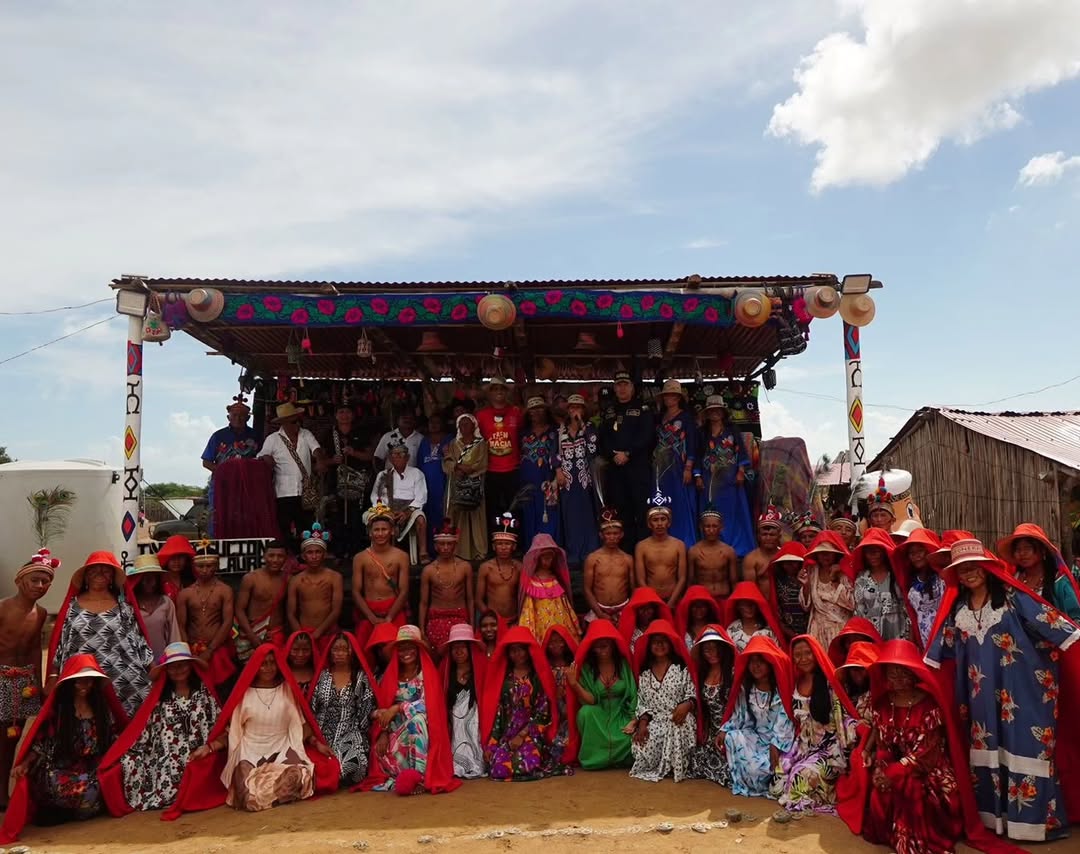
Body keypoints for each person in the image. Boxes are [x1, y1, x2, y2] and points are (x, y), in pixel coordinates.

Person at [925, 538, 1080, 842]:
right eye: (962, 569)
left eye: (974, 567)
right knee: (988, 748)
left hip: (1022, 690)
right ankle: (999, 822)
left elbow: (1057, 627)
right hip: (979, 695)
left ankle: (1035, 826)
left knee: (1025, 745)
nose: (969, 573)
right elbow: (939, 652)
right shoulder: (958, 608)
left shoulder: (1013, 598)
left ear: (986, 567)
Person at [856, 640, 1010, 854]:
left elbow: (928, 751)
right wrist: (883, 767)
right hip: (895, 767)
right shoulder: (882, 705)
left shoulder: (929, 705)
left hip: (929, 770)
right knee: (881, 790)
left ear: (914, 674)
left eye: (904, 673)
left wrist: (896, 771)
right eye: (893, 674)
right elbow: (884, 744)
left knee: (918, 795)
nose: (899, 679)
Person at [163, 644, 337, 818]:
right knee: (247, 796)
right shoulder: (243, 694)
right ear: (254, 666)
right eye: (263, 663)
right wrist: (209, 748)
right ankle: (273, 797)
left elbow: (301, 725)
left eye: (272, 663)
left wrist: (316, 743)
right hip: (250, 753)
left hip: (283, 751)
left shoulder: (287, 690)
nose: (268, 668)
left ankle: (270, 796)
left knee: (298, 776)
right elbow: (231, 732)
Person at [1, 655, 125, 841]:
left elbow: (112, 740)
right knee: (56, 783)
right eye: (79, 681)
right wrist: (24, 763)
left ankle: (69, 811)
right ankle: (70, 809)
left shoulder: (101, 710)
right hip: (61, 767)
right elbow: (41, 744)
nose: (84, 686)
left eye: (88, 681)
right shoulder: (59, 712)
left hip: (91, 767)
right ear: (71, 683)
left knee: (97, 786)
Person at [98, 642, 221, 814]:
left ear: (190, 666)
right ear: (167, 671)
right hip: (168, 758)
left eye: (182, 665)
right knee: (130, 763)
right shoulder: (161, 699)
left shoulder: (204, 694)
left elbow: (219, 725)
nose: (178, 670)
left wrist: (208, 748)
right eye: (172, 667)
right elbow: (147, 731)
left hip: (199, 753)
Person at [45, 551, 153, 716]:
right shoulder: (72, 608)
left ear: (111, 578)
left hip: (123, 679)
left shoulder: (124, 608)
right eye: (94, 569)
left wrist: (154, 671)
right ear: (86, 577)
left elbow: (139, 642)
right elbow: (61, 643)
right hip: (82, 680)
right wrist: (53, 675)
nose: (100, 573)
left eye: (106, 570)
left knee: (125, 729)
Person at [357, 625, 459, 795]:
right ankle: (404, 775)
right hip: (395, 732)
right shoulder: (390, 676)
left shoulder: (427, 675)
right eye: (401, 648)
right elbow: (381, 710)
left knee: (417, 720)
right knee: (379, 751)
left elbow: (429, 707)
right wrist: (383, 732)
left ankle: (419, 776)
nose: (405, 652)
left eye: (410, 647)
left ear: (418, 649)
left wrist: (398, 707)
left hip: (422, 733)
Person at [769, 635, 858, 813]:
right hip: (803, 746)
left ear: (816, 653)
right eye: (798, 655)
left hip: (829, 749)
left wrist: (846, 752)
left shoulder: (829, 682)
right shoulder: (796, 682)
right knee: (776, 782)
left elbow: (842, 717)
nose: (803, 659)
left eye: (807, 653)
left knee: (800, 778)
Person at [0, 549, 56, 810]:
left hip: (23, 685)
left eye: (46, 581)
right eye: (35, 580)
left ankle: (2, 794)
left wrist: (38, 683)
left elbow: (35, 648)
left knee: (11, 740)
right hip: (1, 678)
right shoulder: (2, 608)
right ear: (19, 581)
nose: (41, 586)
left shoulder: (41, 613)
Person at [480, 626, 563, 781]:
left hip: (531, 733)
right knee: (498, 768)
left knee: (528, 764)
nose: (517, 654)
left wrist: (523, 735)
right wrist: (492, 744)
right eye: (513, 650)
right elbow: (498, 714)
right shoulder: (505, 680)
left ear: (528, 651)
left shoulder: (537, 678)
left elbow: (543, 713)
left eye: (520, 649)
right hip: (508, 735)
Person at [720, 636, 796, 798]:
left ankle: (767, 779)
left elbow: (786, 720)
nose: (756, 666)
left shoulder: (781, 689)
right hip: (756, 739)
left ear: (769, 662)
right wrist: (725, 729)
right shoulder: (746, 688)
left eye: (760, 661)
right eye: (752, 661)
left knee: (783, 765)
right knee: (732, 737)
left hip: (780, 742)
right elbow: (740, 716)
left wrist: (776, 744)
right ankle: (757, 780)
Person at [626, 619, 697, 783]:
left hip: (679, 718)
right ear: (650, 646)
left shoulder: (681, 668)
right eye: (655, 642)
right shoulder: (645, 673)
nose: (660, 645)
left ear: (671, 644)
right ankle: (666, 764)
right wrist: (643, 723)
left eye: (664, 641)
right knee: (640, 747)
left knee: (676, 725)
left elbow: (692, 693)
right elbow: (642, 702)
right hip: (657, 720)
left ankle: (677, 767)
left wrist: (687, 705)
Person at [309, 632, 376, 787]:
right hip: (321, 736)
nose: (339, 654)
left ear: (351, 652)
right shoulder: (321, 677)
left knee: (355, 762)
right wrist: (314, 740)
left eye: (343, 649)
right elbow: (311, 710)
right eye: (335, 650)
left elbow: (365, 713)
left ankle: (332, 776)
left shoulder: (360, 678)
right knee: (313, 763)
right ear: (330, 653)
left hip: (349, 734)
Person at [568, 619, 637, 770]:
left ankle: (619, 759)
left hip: (621, 714)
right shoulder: (587, 668)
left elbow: (632, 693)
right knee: (585, 713)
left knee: (633, 738)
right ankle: (595, 760)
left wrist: (633, 719)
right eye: (597, 647)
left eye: (605, 645)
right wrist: (574, 685)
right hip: (599, 714)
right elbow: (591, 701)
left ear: (613, 645)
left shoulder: (623, 664)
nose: (601, 650)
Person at [599, 369, 655, 549]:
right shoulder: (608, 411)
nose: (622, 389)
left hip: (637, 468)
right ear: (614, 388)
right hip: (616, 470)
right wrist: (612, 455)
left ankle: (645, 550)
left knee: (642, 510)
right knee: (621, 511)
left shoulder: (643, 408)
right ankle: (626, 552)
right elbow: (602, 439)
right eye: (618, 385)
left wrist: (628, 453)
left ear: (632, 387)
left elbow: (648, 436)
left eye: (626, 385)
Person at [258, 401, 325, 551]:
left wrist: (319, 460)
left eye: (298, 421)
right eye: (293, 422)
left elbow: (316, 449)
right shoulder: (273, 439)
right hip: (283, 492)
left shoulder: (306, 434)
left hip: (305, 492)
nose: (297, 424)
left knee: (306, 528)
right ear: (284, 423)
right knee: (284, 528)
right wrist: (267, 459)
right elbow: (261, 456)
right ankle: (288, 558)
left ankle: (305, 557)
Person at [695, 395, 754, 557]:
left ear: (723, 412)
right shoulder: (701, 433)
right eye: (711, 410)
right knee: (710, 510)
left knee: (732, 512)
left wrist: (741, 472)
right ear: (707, 414)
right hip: (708, 480)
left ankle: (733, 546)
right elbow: (697, 455)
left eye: (717, 410)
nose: (715, 413)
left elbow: (741, 451)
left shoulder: (732, 430)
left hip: (730, 480)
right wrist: (697, 475)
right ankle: (711, 544)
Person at [202, 397, 268, 538]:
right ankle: (218, 547)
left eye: (242, 416)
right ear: (228, 417)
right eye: (234, 415)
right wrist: (224, 472)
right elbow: (206, 461)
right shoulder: (218, 436)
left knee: (248, 516)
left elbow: (263, 458)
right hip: (223, 485)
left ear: (248, 418)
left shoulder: (256, 436)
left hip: (248, 485)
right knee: (219, 515)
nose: (238, 419)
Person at [177, 542, 236, 693]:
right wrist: (187, 650)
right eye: (200, 566)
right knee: (197, 690)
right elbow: (181, 625)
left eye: (210, 566)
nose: (205, 570)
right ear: (193, 567)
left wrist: (210, 650)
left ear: (216, 566)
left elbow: (227, 622)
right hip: (193, 651)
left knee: (221, 691)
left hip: (217, 649)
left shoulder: (225, 590)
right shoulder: (185, 594)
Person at [321, 402, 375, 561]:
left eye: (347, 412)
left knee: (356, 517)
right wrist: (332, 460)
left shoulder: (362, 433)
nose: (344, 415)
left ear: (352, 415)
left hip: (358, 483)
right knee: (335, 517)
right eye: (341, 412)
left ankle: (355, 552)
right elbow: (321, 461)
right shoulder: (328, 435)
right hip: (335, 482)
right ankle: (338, 551)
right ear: (336, 416)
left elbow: (370, 456)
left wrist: (353, 453)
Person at [352, 504, 410, 646]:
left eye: (384, 529)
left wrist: (390, 617)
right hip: (368, 609)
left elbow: (404, 591)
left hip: (393, 608)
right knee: (364, 652)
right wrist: (371, 617)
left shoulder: (401, 556)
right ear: (370, 533)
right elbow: (356, 591)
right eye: (376, 530)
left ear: (391, 531)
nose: (380, 533)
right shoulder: (360, 558)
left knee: (396, 650)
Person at [997, 522, 1080, 622]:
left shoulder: (1059, 583)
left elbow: (1075, 618)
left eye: (1027, 548)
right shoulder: (1012, 582)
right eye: (1017, 549)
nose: (1022, 553)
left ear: (1043, 550)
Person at [687, 625, 737, 786]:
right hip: (712, 733)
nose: (712, 653)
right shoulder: (701, 674)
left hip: (733, 729)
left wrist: (726, 729)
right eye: (707, 649)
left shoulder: (734, 672)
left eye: (716, 648)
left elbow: (740, 708)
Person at [287, 524, 343, 661]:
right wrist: (300, 635)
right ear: (303, 556)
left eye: (318, 552)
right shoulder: (295, 580)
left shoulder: (334, 577)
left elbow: (336, 610)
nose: (314, 556)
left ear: (324, 554)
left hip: (328, 632)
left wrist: (318, 632)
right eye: (310, 553)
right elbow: (291, 612)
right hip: (303, 634)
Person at [653, 380, 699, 548]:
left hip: (680, 466)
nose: (669, 398)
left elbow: (692, 443)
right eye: (666, 395)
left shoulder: (686, 418)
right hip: (661, 467)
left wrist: (689, 467)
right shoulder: (659, 418)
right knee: (663, 502)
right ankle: (664, 539)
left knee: (681, 502)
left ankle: (684, 540)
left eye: (673, 395)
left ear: (679, 398)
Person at [557, 393, 601, 568]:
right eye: (571, 407)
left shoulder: (589, 428)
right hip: (567, 479)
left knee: (587, 514)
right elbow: (555, 454)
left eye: (578, 407)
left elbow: (592, 449)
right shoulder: (561, 430)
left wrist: (581, 424)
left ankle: (590, 551)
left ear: (584, 410)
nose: (574, 410)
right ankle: (573, 554)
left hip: (584, 478)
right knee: (569, 515)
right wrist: (558, 471)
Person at [440, 623, 486, 779]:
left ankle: (475, 762)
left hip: (475, 721)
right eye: (455, 648)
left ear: (470, 648)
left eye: (462, 647)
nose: (458, 651)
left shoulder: (480, 669)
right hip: (454, 723)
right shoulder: (446, 671)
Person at [851, 528, 914, 642]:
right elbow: (859, 609)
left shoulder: (897, 575)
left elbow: (907, 606)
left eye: (876, 551)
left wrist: (911, 635)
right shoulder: (862, 578)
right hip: (870, 634)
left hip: (898, 632)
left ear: (884, 551)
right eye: (868, 551)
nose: (872, 555)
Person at [369, 443, 429, 562]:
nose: (396, 457)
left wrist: (407, 512)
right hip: (387, 509)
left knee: (421, 519)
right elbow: (375, 496)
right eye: (393, 455)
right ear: (390, 458)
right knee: (374, 519)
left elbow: (421, 496)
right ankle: (378, 552)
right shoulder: (383, 475)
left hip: (410, 509)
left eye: (400, 454)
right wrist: (385, 511)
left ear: (407, 457)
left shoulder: (416, 473)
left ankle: (423, 552)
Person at [443, 413, 490, 562]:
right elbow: (447, 461)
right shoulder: (453, 444)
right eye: (461, 424)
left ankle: (478, 551)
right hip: (456, 484)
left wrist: (467, 470)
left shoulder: (481, 444)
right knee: (457, 516)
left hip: (474, 485)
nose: (464, 427)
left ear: (474, 426)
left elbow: (482, 464)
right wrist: (457, 467)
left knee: (476, 517)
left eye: (467, 424)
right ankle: (458, 551)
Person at [419, 521, 473, 649]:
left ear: (455, 544)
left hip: (460, 618)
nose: (445, 548)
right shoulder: (429, 570)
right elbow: (423, 603)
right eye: (441, 544)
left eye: (449, 544)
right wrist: (421, 628)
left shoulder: (465, 567)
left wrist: (472, 625)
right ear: (435, 546)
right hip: (436, 619)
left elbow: (470, 599)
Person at [518, 534, 581, 644]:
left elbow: (564, 604)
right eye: (544, 557)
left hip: (559, 620)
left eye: (550, 557)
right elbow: (529, 608)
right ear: (537, 558)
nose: (547, 560)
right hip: (539, 623)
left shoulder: (556, 578)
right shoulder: (532, 581)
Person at [475, 377, 523, 520]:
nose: (499, 391)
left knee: (514, 510)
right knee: (492, 510)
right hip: (490, 470)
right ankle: (493, 542)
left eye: (502, 388)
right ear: (489, 393)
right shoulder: (481, 415)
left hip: (513, 469)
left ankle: (514, 541)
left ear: (507, 392)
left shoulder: (516, 412)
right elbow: (474, 440)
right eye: (495, 389)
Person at [234, 539, 290, 662]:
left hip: (276, 634)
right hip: (252, 633)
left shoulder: (288, 579)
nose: (275, 560)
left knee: (274, 674)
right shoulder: (250, 579)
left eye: (280, 556)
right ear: (264, 556)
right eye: (271, 555)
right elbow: (239, 610)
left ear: (286, 558)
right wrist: (252, 636)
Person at [799, 531, 856, 651]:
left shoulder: (844, 573)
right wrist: (805, 586)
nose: (826, 556)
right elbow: (806, 606)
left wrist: (835, 578)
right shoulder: (811, 571)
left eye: (830, 553)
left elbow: (852, 604)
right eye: (822, 553)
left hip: (840, 627)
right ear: (817, 554)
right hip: (817, 629)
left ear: (836, 555)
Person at [519, 396, 561, 547]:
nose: (536, 412)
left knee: (549, 512)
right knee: (529, 513)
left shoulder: (555, 431)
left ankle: (548, 549)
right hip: (527, 479)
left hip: (547, 478)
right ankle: (531, 549)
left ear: (546, 411)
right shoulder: (523, 433)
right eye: (532, 409)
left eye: (540, 408)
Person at [891, 527, 943, 648]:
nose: (916, 556)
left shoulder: (941, 578)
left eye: (920, 551)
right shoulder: (910, 581)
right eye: (912, 553)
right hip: (923, 639)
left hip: (944, 636)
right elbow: (913, 615)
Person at [634, 496, 688, 608]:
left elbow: (682, 577)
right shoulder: (641, 546)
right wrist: (652, 599)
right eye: (655, 520)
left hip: (674, 599)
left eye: (663, 519)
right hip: (651, 601)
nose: (659, 523)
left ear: (669, 522)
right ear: (649, 524)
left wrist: (671, 602)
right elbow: (640, 579)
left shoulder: (679, 545)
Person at [127, 553, 181, 663]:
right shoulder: (129, 606)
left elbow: (174, 635)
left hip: (164, 661)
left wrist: (175, 659)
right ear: (137, 580)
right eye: (144, 578)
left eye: (153, 577)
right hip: (137, 663)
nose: (149, 581)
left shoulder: (166, 602)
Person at [583, 508, 634, 623]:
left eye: (615, 533)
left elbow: (634, 588)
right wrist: (600, 613)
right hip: (599, 609)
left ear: (621, 535)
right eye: (608, 534)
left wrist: (628, 610)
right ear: (601, 535)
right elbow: (587, 589)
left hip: (623, 609)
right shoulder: (593, 558)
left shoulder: (628, 559)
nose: (612, 537)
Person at [543, 625, 580, 766]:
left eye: (560, 641)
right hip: (552, 708)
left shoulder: (573, 664)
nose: (556, 645)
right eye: (551, 642)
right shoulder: (545, 665)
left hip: (570, 707)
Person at [476, 513, 522, 623]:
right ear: (493, 546)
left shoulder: (519, 567)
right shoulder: (486, 568)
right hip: (493, 622)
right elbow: (478, 600)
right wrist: (490, 619)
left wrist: (520, 618)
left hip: (514, 619)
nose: (503, 547)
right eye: (500, 544)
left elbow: (524, 597)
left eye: (507, 544)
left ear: (514, 546)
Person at [417, 411, 451, 555]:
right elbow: (419, 463)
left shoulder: (450, 439)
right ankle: (431, 549)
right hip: (426, 484)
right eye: (431, 422)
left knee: (444, 514)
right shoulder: (424, 441)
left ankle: (446, 548)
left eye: (437, 422)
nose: (434, 425)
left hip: (443, 482)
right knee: (428, 514)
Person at [688, 506, 738, 602]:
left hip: (724, 598)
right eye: (707, 526)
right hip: (702, 600)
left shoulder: (729, 551)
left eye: (714, 526)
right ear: (701, 527)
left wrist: (733, 603)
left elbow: (734, 582)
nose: (711, 530)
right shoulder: (693, 551)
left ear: (721, 527)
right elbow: (690, 582)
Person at [767, 542, 810, 644]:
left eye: (793, 562)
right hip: (787, 629)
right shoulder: (778, 581)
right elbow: (777, 609)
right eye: (786, 562)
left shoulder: (810, 578)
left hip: (810, 627)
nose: (789, 566)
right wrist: (790, 633)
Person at [724, 581, 783, 651]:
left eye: (752, 603)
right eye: (745, 604)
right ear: (738, 606)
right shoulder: (731, 629)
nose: (749, 607)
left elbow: (777, 652)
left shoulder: (768, 629)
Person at [618, 587, 674, 656]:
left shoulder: (661, 629)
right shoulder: (630, 631)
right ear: (636, 610)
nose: (646, 611)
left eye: (649, 607)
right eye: (642, 608)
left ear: (654, 609)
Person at [743, 506, 784, 600]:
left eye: (772, 535)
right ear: (758, 536)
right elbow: (750, 589)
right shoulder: (751, 559)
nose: (768, 538)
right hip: (762, 604)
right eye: (764, 534)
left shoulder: (783, 556)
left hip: (783, 606)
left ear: (779, 536)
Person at [835, 641, 877, 724]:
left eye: (861, 668)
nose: (857, 673)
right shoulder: (843, 694)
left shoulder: (880, 697)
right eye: (853, 668)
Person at [675, 584, 723, 651]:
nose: (698, 608)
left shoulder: (715, 628)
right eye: (695, 605)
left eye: (702, 605)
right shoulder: (682, 629)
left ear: (708, 607)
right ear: (689, 608)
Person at [156, 534, 195, 600]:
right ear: (166, 559)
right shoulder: (159, 579)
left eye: (180, 556)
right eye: (172, 557)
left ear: (186, 558)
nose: (176, 561)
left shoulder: (193, 577)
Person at [284, 631, 317, 697]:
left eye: (305, 650)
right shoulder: (280, 674)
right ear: (288, 649)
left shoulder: (318, 673)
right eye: (295, 650)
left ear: (312, 650)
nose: (300, 654)